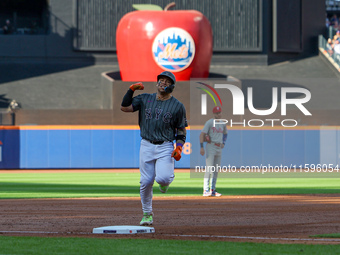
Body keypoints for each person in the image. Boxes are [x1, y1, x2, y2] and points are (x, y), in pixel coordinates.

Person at [121, 71, 187, 226]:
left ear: (172, 86)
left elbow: (181, 129)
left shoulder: (178, 106)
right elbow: (125, 107)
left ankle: (165, 181)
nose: (163, 83)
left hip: (165, 146)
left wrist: (179, 147)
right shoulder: (145, 99)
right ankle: (147, 214)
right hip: (146, 144)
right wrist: (131, 90)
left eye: (167, 81)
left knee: (162, 178)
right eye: (161, 80)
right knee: (145, 181)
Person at [199, 106, 228, 197]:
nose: (218, 114)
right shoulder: (210, 122)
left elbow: (225, 133)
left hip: (219, 147)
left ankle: (213, 190)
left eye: (219, 112)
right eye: (217, 113)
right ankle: (205, 189)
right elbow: (202, 134)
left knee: (216, 170)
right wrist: (201, 147)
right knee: (209, 168)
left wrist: (223, 142)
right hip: (211, 146)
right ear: (214, 114)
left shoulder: (223, 123)